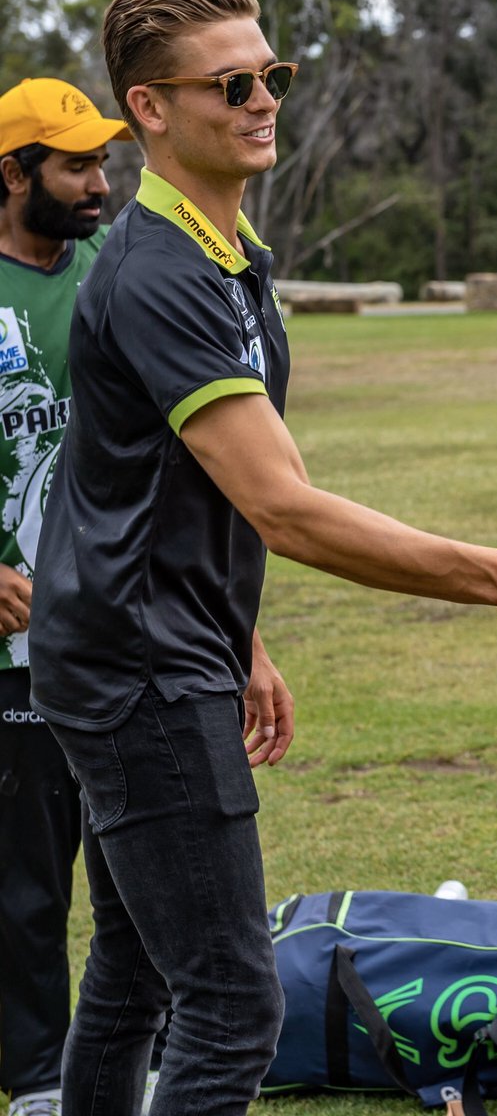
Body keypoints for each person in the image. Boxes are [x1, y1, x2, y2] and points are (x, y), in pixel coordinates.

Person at [25, 0, 497, 1116]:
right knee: (227, 1003)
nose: (263, 100)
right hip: (139, 672)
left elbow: (175, 492)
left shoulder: (225, 255)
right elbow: (286, 508)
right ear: (150, 109)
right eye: (231, 83)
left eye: (273, 75)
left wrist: (240, 637)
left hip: (147, 644)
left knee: (131, 971)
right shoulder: (160, 272)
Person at [0, 78, 132, 1116]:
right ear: (13, 176)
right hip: (14, 656)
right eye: (75, 164)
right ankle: (42, 1083)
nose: (100, 182)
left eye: (102, 161)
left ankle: (143, 1063)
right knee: (27, 888)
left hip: (122, 633)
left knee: (140, 875)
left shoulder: (112, 273)